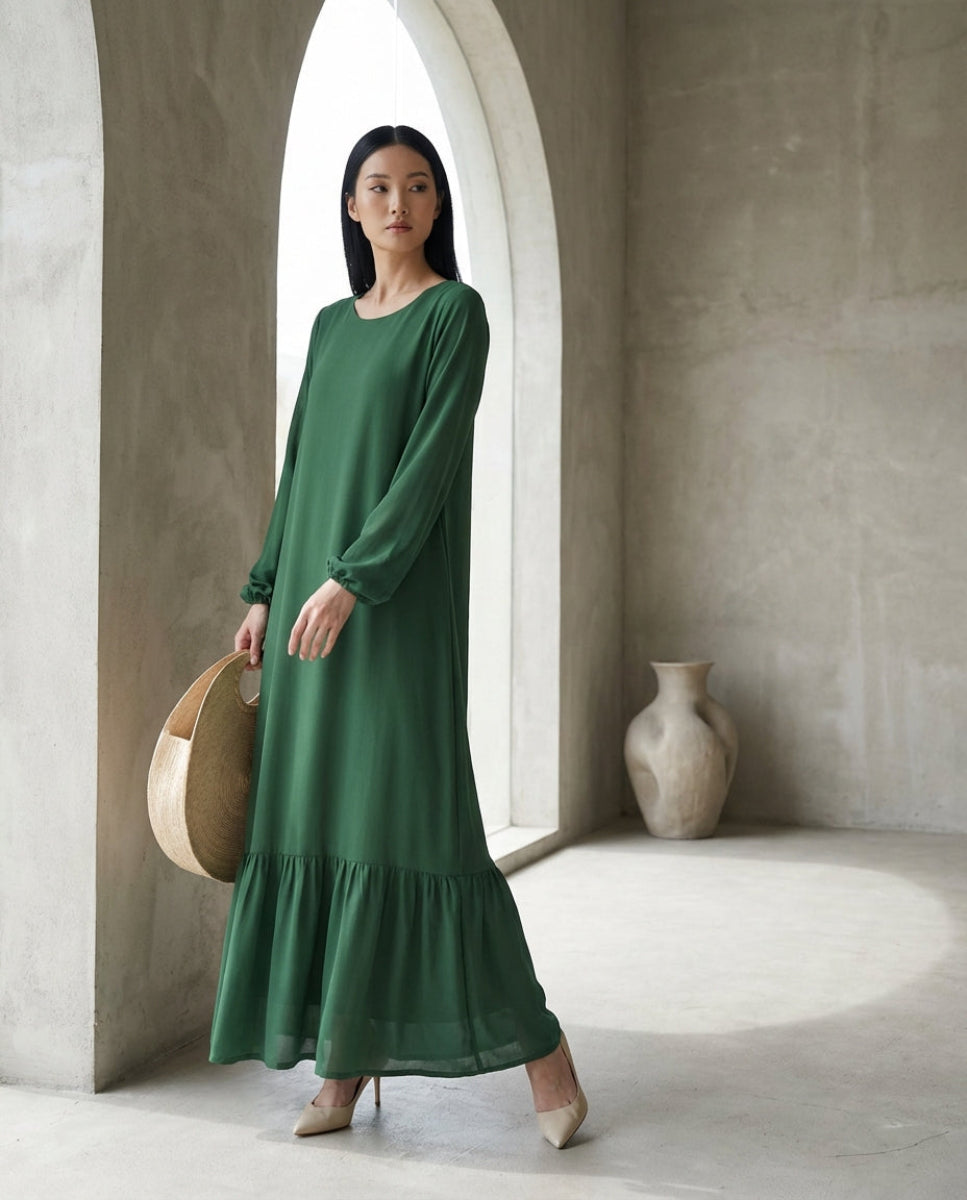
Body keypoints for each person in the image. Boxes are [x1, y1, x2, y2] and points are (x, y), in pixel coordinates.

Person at [209, 125, 588, 1149]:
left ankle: (546, 1058)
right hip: (305, 620)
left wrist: (351, 581)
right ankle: (342, 1067)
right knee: (325, 827)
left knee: (418, 833)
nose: (397, 203)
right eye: (378, 186)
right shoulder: (333, 327)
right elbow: (301, 472)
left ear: (436, 207)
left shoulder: (452, 315)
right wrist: (266, 586)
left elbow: (424, 472)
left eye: (418, 186)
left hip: (390, 615)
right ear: (350, 206)